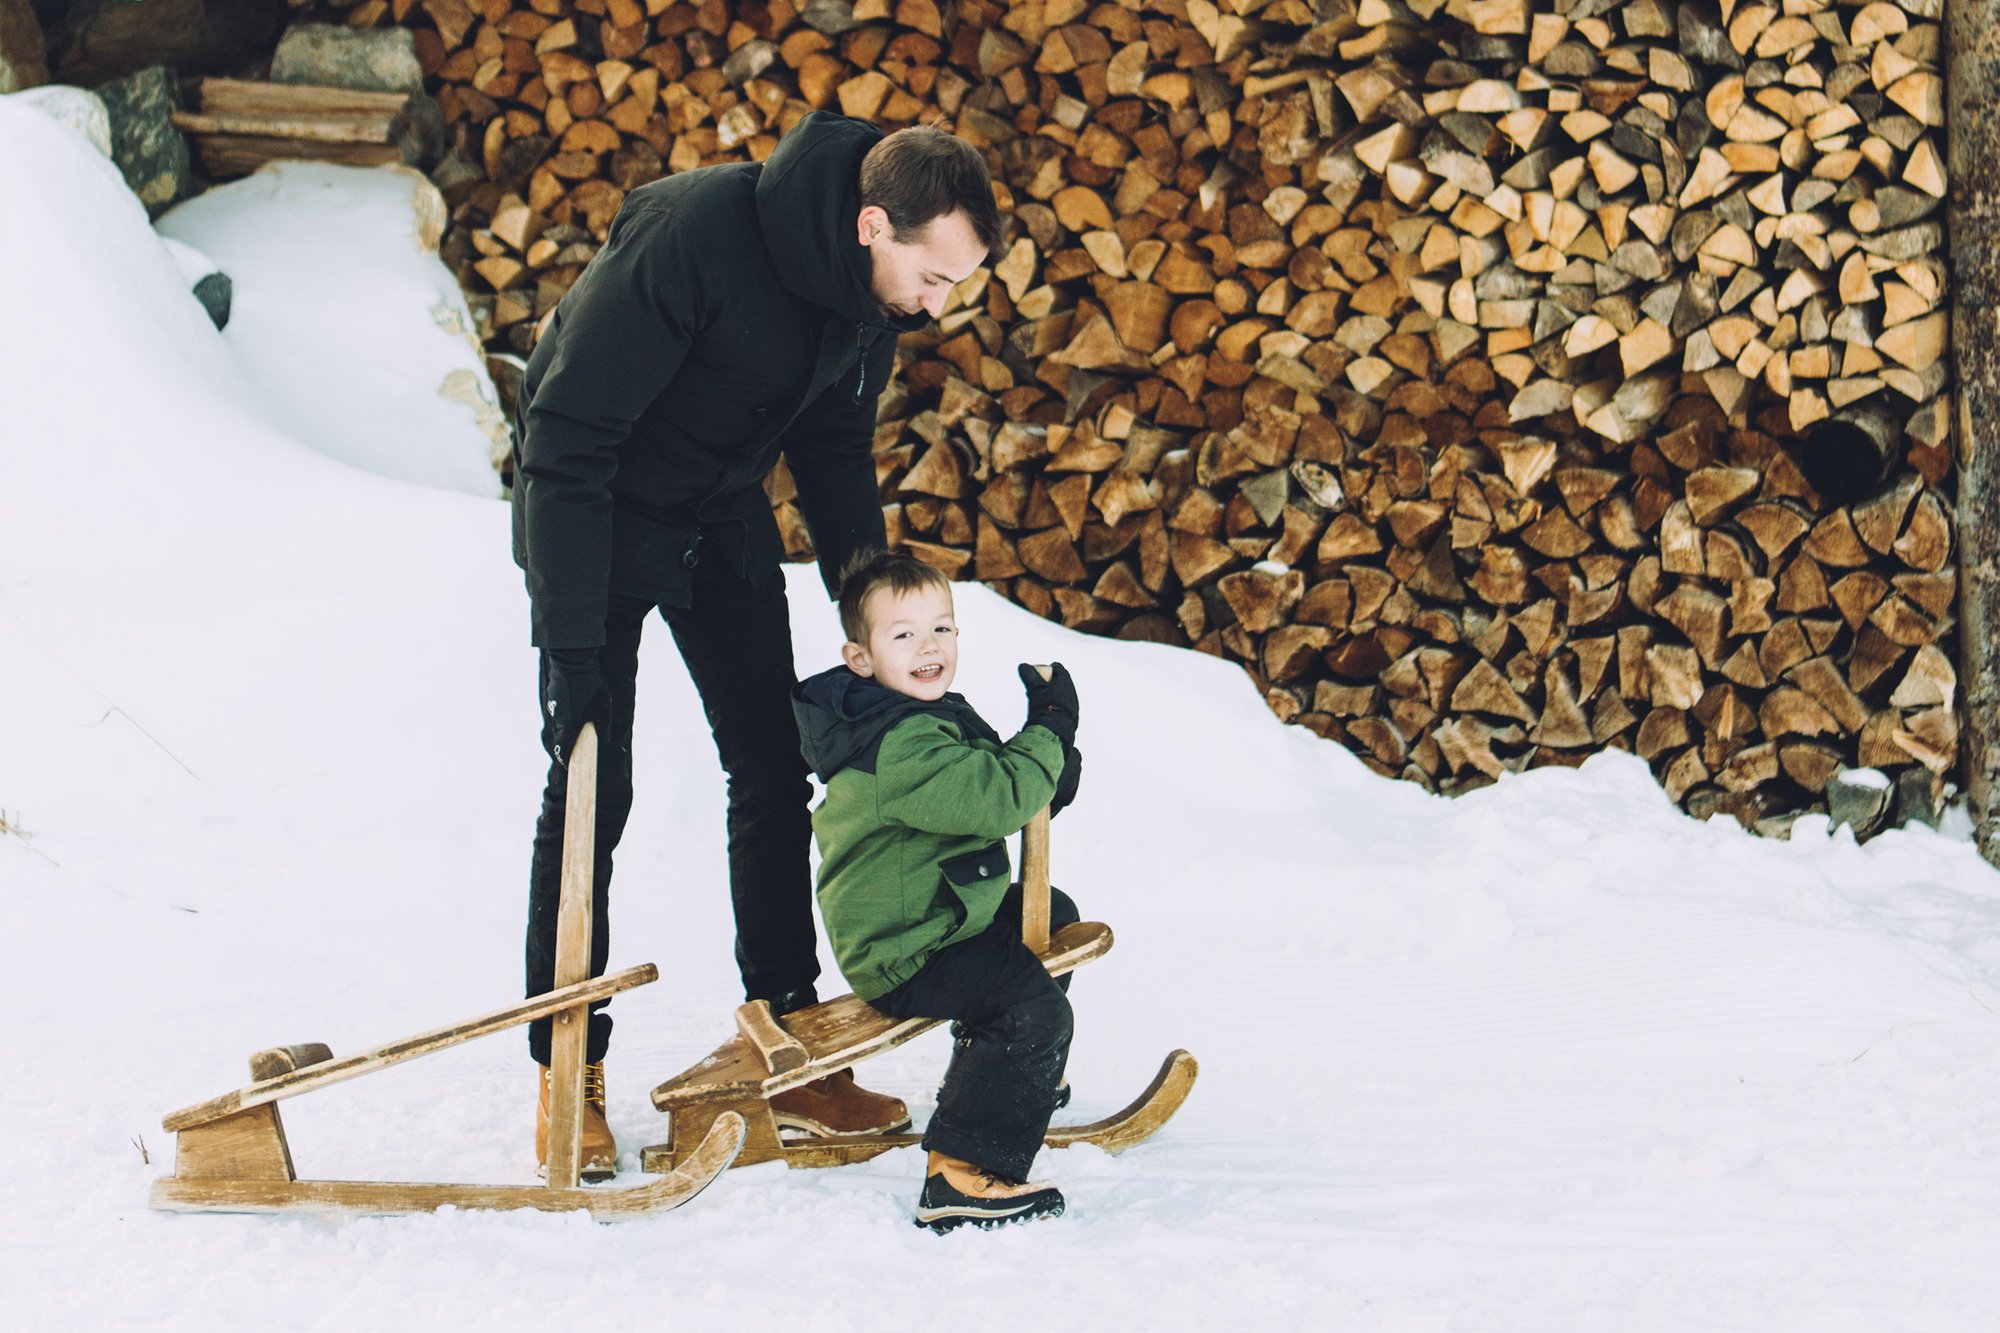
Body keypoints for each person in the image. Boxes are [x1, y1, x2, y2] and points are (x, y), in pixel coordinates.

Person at [510, 112, 1001, 1179]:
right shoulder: (695, 238)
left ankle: (789, 1037)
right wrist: (570, 644)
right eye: (933, 275)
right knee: (597, 779)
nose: (938, 303)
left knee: (776, 764)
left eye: (955, 283)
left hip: (716, 517)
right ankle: (567, 1066)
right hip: (594, 515)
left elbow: (830, 452)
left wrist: (874, 615)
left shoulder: (865, 303)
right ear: (873, 225)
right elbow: (562, 438)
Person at [791, 552, 1085, 1232]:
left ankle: (1003, 1077)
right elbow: (994, 795)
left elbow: (992, 777)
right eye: (904, 635)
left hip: (939, 913)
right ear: (860, 657)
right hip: (907, 946)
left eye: (942, 629)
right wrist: (1050, 726)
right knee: (1032, 1008)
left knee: (1052, 919)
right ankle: (958, 1172)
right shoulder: (900, 741)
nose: (929, 647)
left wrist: (1050, 768)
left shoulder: (916, 713)